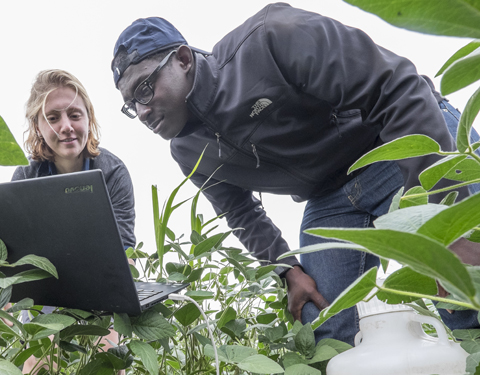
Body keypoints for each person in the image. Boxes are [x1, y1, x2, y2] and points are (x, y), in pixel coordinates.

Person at [111, 3, 480, 346]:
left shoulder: (272, 37)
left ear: (183, 59)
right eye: (131, 104)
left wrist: (444, 225)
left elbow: (397, 87)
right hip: (329, 195)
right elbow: (242, 214)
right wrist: (287, 270)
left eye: (145, 88)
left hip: (394, 143)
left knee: (463, 286)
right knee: (321, 317)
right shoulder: (186, 150)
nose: (142, 112)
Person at [12, 69, 135, 374]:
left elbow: (125, 254)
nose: (66, 127)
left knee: (110, 360)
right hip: (44, 297)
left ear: (89, 118)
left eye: (74, 115)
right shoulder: (24, 178)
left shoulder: (113, 172)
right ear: (38, 126)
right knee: (36, 362)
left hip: (101, 294)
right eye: (52, 118)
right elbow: (16, 263)